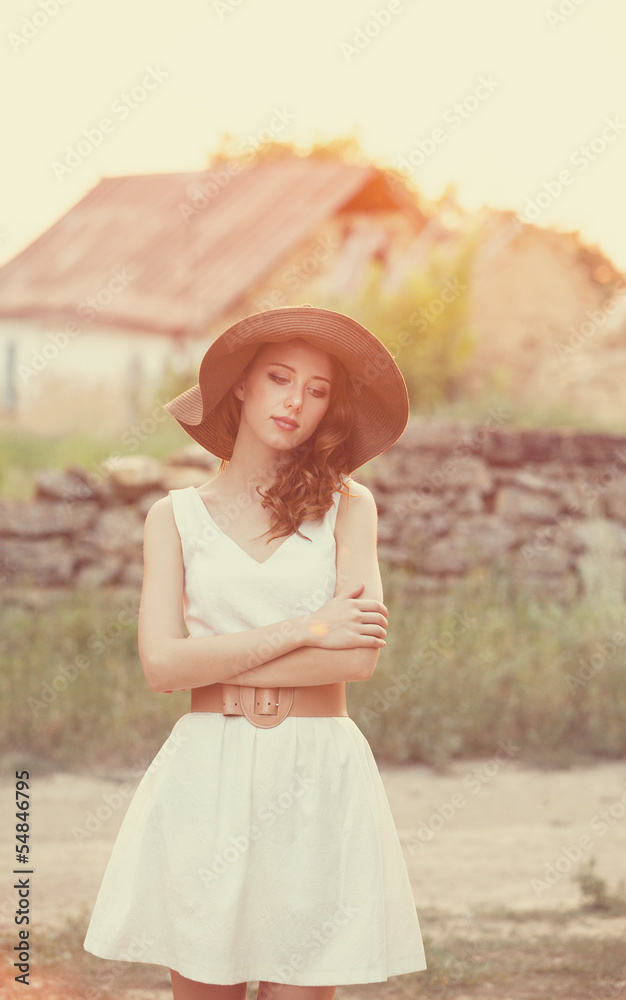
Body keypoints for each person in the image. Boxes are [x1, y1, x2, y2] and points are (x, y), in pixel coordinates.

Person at [83, 304, 427, 999]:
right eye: (278, 377)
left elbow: (354, 658)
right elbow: (162, 667)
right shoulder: (172, 518)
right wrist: (305, 628)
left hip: (316, 769)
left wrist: (215, 658)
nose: (296, 400)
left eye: (318, 388)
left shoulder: (348, 507)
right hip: (208, 769)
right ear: (241, 386)